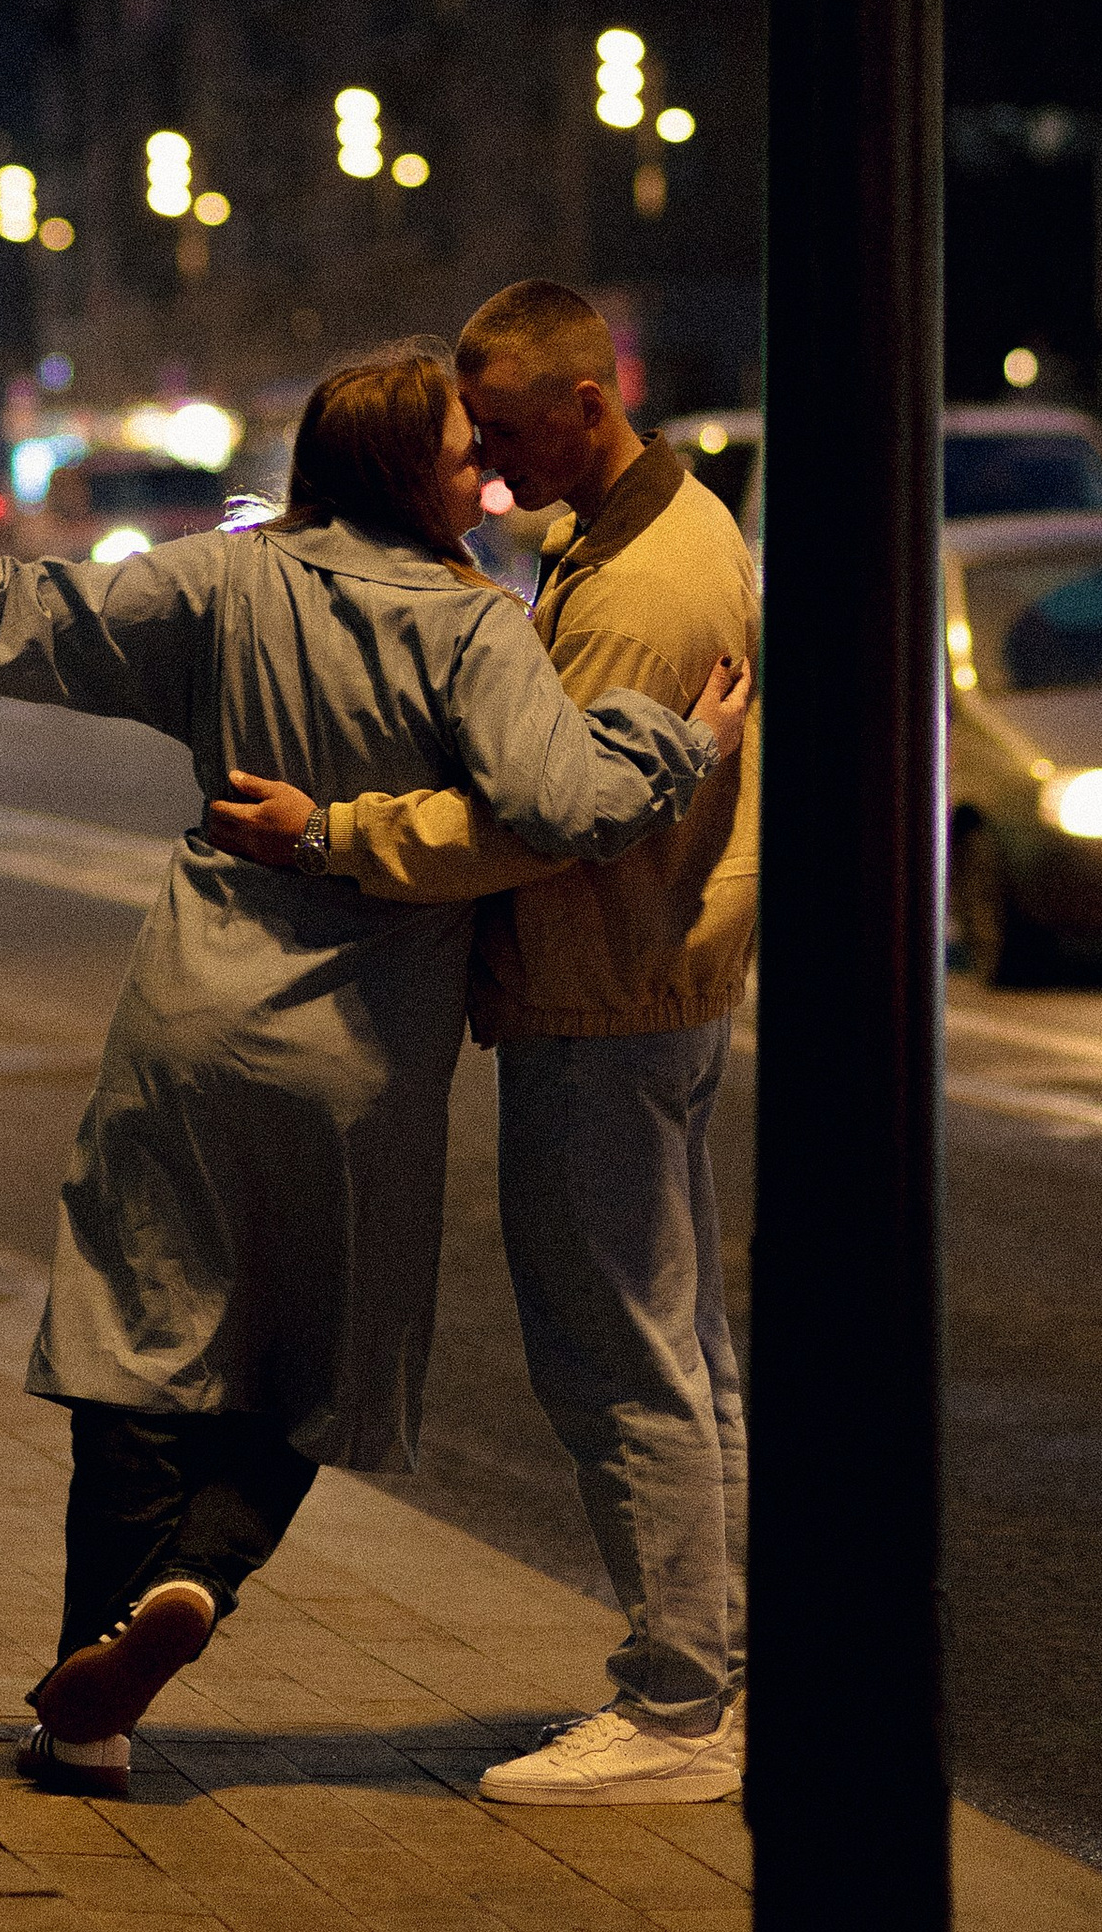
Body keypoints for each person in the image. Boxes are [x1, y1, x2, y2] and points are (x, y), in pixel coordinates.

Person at [0, 340, 748, 1795]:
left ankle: (87, 1709)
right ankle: (200, 1581)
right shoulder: (479, 631)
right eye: (467, 451)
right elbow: (568, 799)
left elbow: (29, 615)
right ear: (409, 474)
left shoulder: (221, 583)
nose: (490, 475)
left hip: (189, 1025)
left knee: (137, 1351)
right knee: (310, 1364)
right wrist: (678, 741)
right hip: (361, 1063)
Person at [210, 280, 759, 1807]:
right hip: (644, 984)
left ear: (591, 403)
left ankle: (674, 1712)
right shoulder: (640, 533)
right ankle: (710, 1670)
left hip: (605, 992)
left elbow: (544, 815)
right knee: (679, 1348)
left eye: (511, 435)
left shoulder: (645, 586)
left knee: (620, 1357)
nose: (498, 473)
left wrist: (330, 831)